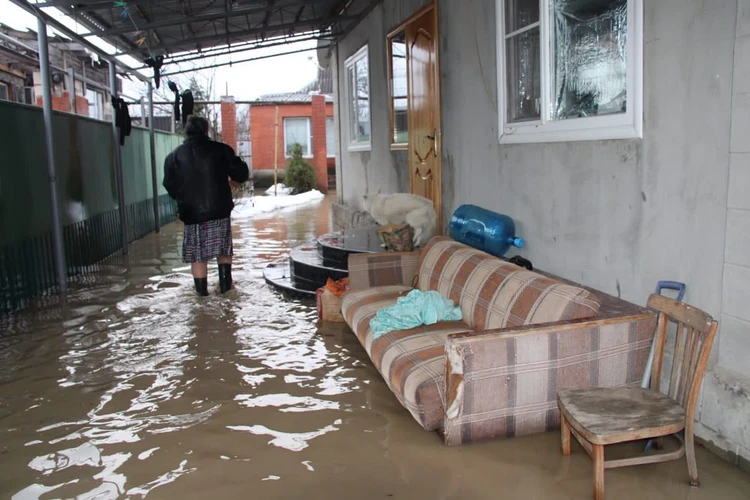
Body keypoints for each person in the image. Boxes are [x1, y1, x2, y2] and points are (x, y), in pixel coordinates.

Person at [163, 115, 249, 296]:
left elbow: (170, 185)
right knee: (223, 250)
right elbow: (242, 173)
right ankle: (226, 290)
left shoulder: (174, 157)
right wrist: (231, 177)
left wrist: (184, 198)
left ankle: (201, 295)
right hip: (219, 211)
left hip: (192, 214)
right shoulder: (221, 150)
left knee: (198, 255)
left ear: (187, 132)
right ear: (206, 130)